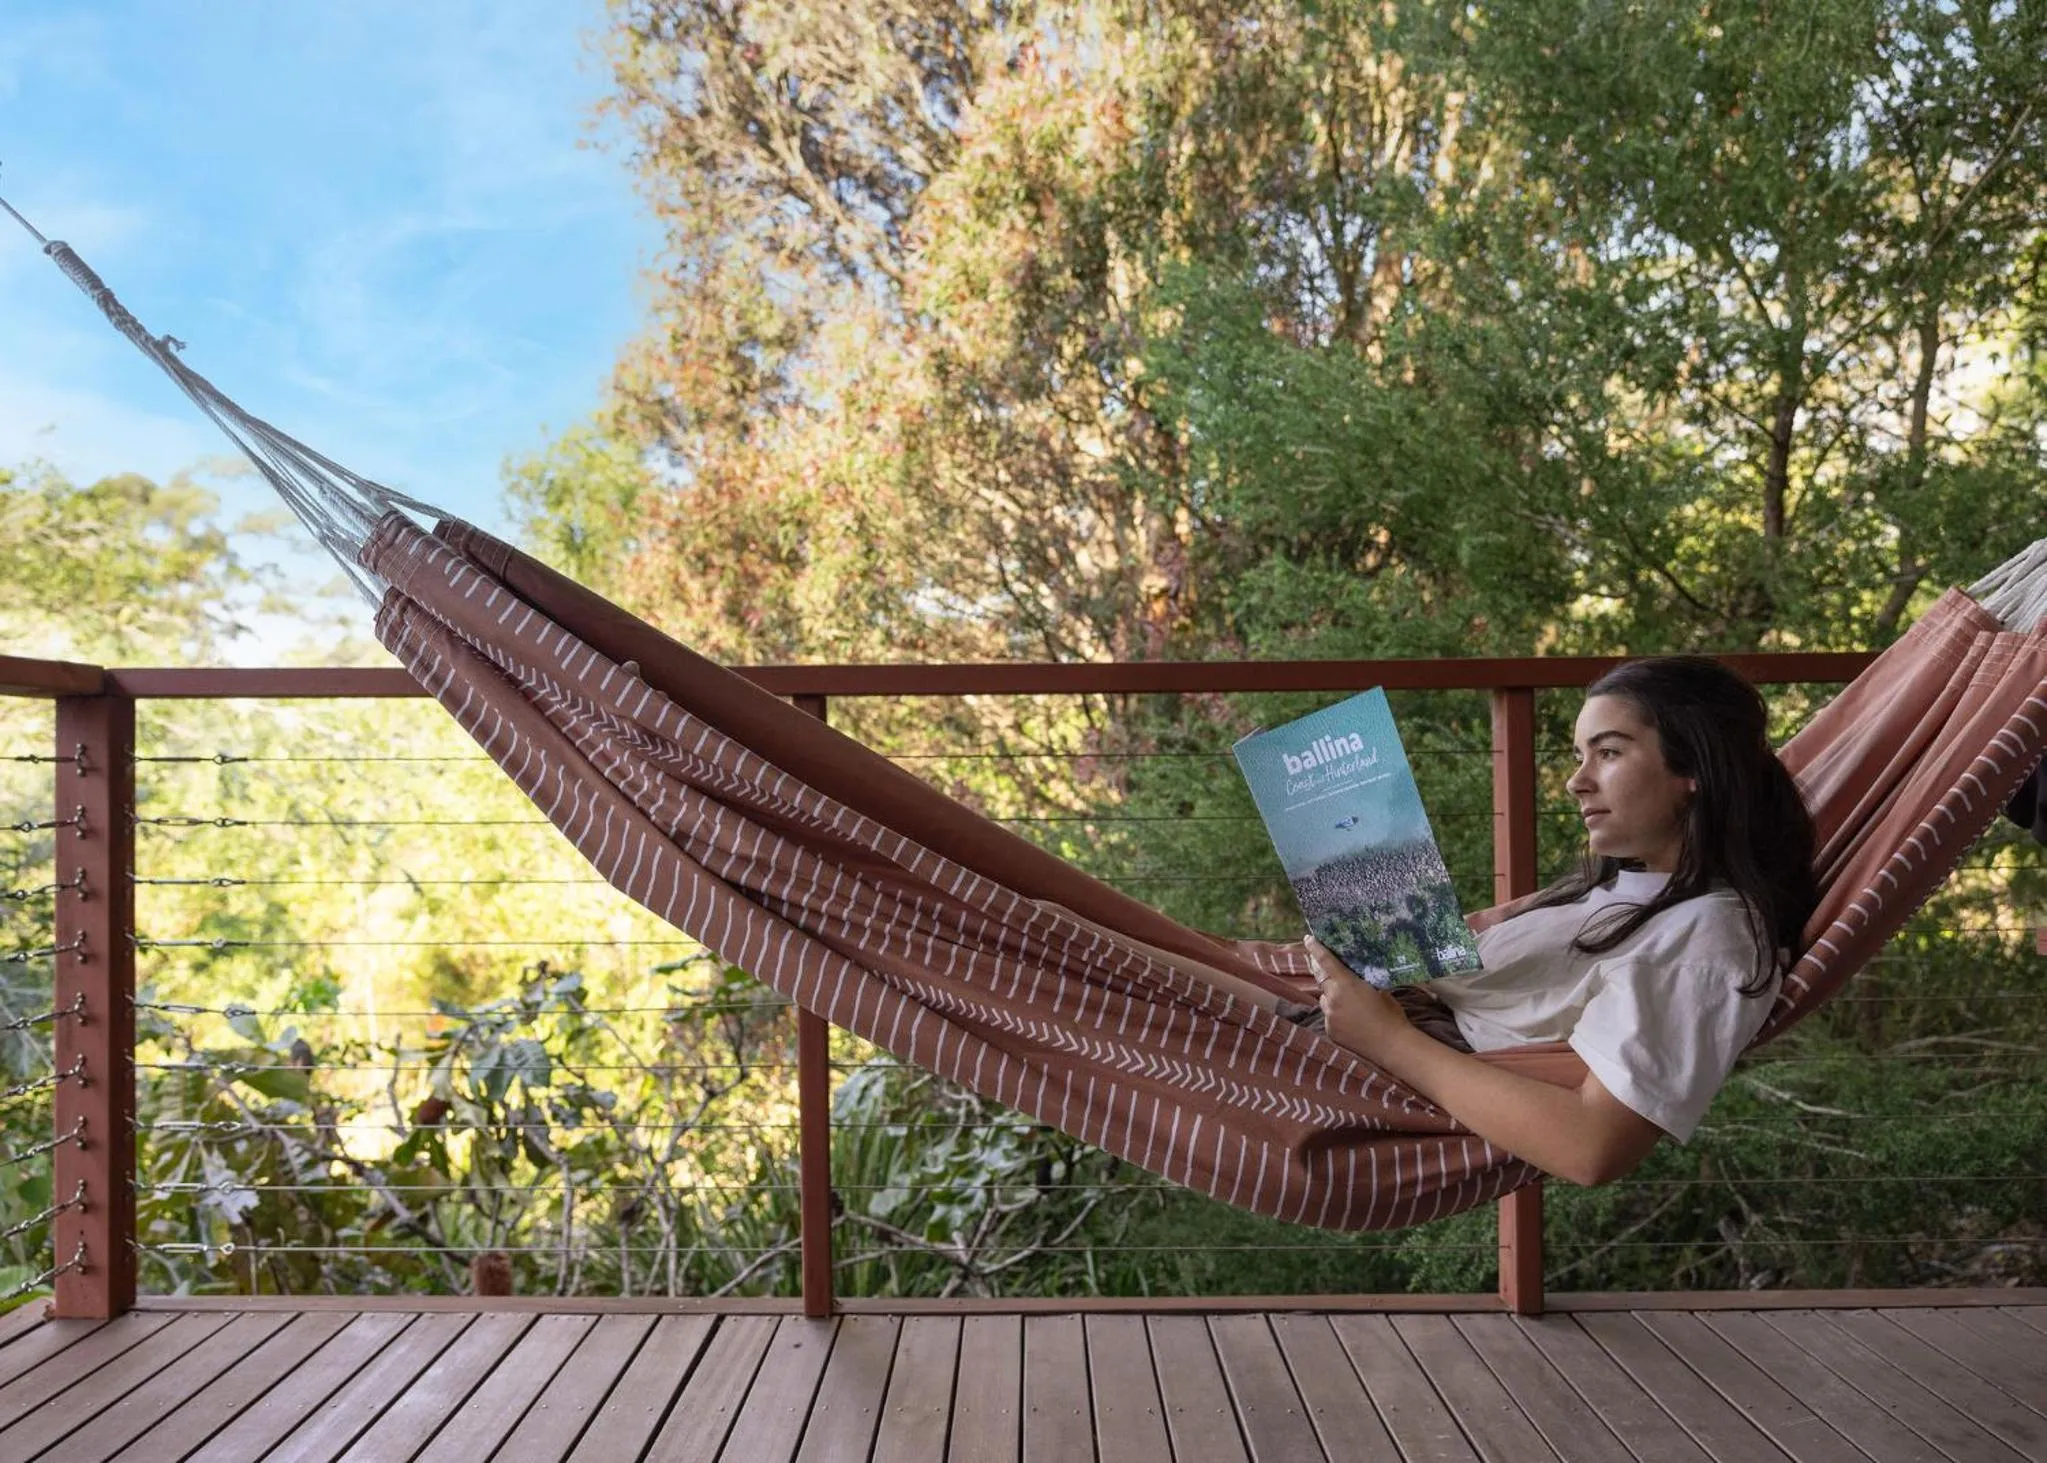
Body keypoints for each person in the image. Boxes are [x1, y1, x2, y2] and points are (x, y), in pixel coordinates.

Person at [1308, 656, 1818, 1187]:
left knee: (1236, 1019)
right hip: (1377, 1011)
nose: (1577, 782)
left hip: (1387, 1061)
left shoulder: (1709, 938)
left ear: (1695, 768)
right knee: (1240, 972)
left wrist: (1388, 1041)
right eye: (1580, 757)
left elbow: (1592, 1147)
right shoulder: (1622, 887)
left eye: (1609, 752)